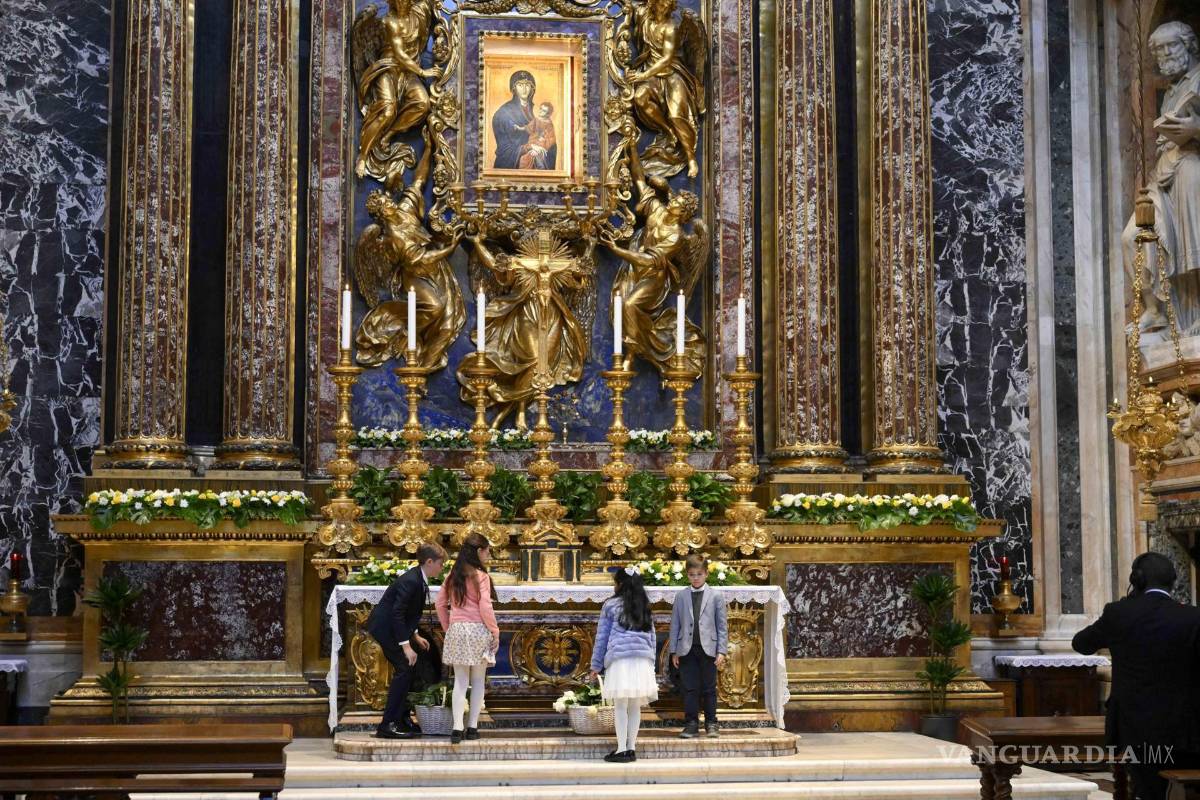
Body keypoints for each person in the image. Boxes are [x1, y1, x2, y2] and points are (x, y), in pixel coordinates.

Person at [1073, 552, 1200, 800]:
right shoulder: (1193, 617)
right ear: (1173, 581)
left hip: (1136, 727)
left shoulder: (1118, 613)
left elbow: (1081, 644)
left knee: (1148, 790)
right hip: (1185, 728)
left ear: (1136, 579)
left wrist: (1127, 604)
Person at [1121, 21, 1200, 332]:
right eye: (1158, 51)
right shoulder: (1173, 89)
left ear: (1189, 45)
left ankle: (1195, 314)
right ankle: (1156, 309)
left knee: (1193, 243)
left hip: (1193, 169)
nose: (1164, 55)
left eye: (1171, 46)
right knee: (1132, 237)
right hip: (1164, 174)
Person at [365, 541, 447, 739]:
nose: (442, 567)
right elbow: (397, 613)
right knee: (404, 667)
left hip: (396, 629)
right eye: (440, 563)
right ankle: (388, 724)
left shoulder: (419, 577)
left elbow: (409, 612)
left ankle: (402, 719)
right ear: (429, 562)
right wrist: (406, 645)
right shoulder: (412, 580)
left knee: (411, 668)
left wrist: (415, 634)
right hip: (386, 629)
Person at [435, 533, 500, 744]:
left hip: (457, 630)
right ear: (479, 551)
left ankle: (456, 727)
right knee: (478, 680)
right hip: (478, 629)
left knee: (460, 681)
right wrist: (494, 630)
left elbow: (439, 604)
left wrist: (449, 627)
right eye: (487, 552)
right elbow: (485, 606)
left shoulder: (452, 575)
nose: (488, 556)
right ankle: (472, 727)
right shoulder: (481, 576)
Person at [590, 566, 659, 763]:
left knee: (620, 705)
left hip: (621, 659)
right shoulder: (644, 604)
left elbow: (602, 637)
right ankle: (631, 748)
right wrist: (651, 663)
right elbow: (652, 636)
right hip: (642, 659)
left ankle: (621, 749)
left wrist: (596, 665)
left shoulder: (610, 605)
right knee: (635, 705)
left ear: (619, 585)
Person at [669, 554, 728, 738]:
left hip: (708, 649)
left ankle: (711, 723)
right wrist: (674, 651)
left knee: (709, 688)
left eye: (699, 574)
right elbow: (675, 624)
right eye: (692, 574)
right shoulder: (681, 596)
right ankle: (691, 723)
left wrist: (721, 650)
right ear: (687, 575)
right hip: (686, 649)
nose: (696, 578)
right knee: (690, 687)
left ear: (706, 574)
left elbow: (722, 625)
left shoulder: (716, 595)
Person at [491, 70, 556, 170]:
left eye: (527, 85)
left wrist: (543, 145)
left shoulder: (535, 114)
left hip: (535, 165)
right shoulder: (504, 113)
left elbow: (550, 141)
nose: (524, 89)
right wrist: (529, 147)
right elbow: (504, 149)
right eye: (520, 85)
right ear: (514, 88)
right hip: (511, 169)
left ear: (532, 88)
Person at [516, 102, 557, 170]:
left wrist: (540, 146)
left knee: (535, 156)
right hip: (533, 140)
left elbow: (550, 137)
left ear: (548, 114)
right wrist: (519, 128)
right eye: (540, 109)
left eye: (544, 111)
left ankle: (540, 169)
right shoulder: (536, 120)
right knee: (525, 158)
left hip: (542, 143)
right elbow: (529, 127)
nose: (541, 111)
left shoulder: (549, 124)